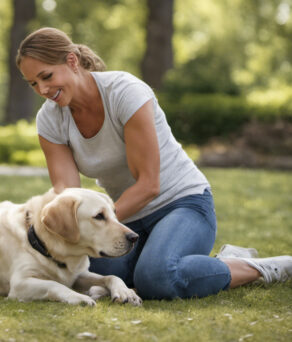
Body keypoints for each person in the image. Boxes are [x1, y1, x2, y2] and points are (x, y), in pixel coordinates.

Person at [16, 27, 292, 300]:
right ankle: (167, 261)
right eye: (33, 84)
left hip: (182, 203)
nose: (43, 89)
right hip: (127, 219)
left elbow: (149, 184)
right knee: (76, 273)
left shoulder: (125, 92)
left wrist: (102, 222)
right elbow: (68, 196)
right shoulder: (50, 119)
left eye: (46, 76)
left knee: (156, 278)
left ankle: (256, 267)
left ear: (72, 61)